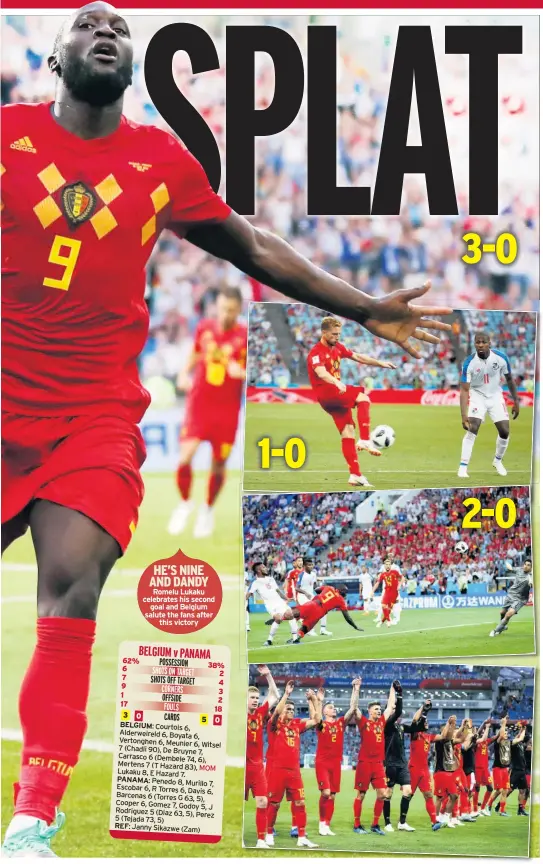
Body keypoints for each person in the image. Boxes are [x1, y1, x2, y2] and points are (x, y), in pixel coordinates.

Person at [0, 0, 451, 852]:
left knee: (73, 584)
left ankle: (31, 819)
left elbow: (250, 244)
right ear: (54, 58)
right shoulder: (7, 137)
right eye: (87, 22)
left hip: (93, 418)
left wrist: (360, 309)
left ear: (131, 65)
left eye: (119, 28)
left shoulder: (158, 161)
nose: (105, 29)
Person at [168, 286, 247, 538]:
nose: (226, 314)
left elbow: (261, 375)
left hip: (227, 410)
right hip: (199, 403)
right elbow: (195, 354)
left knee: (218, 465)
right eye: (223, 308)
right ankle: (185, 503)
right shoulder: (204, 327)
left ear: (239, 309)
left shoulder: (246, 337)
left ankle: (207, 510)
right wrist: (183, 373)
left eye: (232, 310)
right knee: (184, 458)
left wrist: (244, 372)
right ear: (217, 306)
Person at [306, 317, 398, 487]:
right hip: (330, 392)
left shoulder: (338, 347)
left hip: (332, 398)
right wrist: (336, 381)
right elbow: (321, 373)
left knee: (348, 432)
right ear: (324, 332)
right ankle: (365, 439)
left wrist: (380, 363)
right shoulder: (316, 353)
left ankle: (355, 475)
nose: (337, 337)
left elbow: (357, 356)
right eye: (334, 334)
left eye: (339, 334)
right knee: (363, 398)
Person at [265, 682, 321, 849]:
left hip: (294, 772)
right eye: (287, 709)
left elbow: (317, 720)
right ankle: (268, 834)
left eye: (292, 709)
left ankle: (302, 837)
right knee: (274, 804)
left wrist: (313, 700)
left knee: (300, 803)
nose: (290, 711)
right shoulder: (274, 725)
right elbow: (275, 713)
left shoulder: (297, 725)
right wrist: (286, 695)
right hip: (277, 770)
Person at [457, 331, 520, 479]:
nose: (480, 345)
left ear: (489, 343)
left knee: (505, 431)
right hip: (477, 396)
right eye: (477, 342)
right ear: (474, 344)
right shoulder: (469, 363)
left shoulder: (501, 358)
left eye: (483, 342)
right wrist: (464, 416)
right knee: (473, 427)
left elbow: (510, 379)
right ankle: (463, 467)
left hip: (496, 396)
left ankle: (497, 461)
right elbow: (464, 390)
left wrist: (516, 401)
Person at [314, 679, 361, 836]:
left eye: (334, 707)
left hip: (335, 764)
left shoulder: (340, 723)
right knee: (326, 793)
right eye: (330, 707)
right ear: (325, 712)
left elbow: (352, 708)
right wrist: (319, 702)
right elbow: (316, 717)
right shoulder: (321, 724)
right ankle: (321, 823)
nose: (333, 709)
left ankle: (327, 825)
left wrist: (356, 688)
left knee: (332, 795)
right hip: (322, 763)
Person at [352, 682, 399, 836]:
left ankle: (374, 824)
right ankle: (357, 824)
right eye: (376, 709)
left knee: (383, 794)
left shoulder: (381, 723)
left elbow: (391, 706)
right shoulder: (363, 722)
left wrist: (392, 689)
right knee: (361, 794)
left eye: (380, 709)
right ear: (369, 711)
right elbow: (354, 708)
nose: (379, 711)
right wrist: (356, 689)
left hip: (378, 764)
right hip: (364, 763)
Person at [246, 666, 280, 848]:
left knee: (262, 801)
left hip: (258, 765)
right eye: (251, 698)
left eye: (256, 698)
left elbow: (274, 695)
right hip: (241, 765)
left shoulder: (260, 713)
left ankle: (260, 840)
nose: (255, 701)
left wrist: (268, 676)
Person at [273, 584, 364, 643]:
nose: (346, 595)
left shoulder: (329, 587)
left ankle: (280, 617)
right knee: (305, 628)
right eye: (345, 593)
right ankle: (296, 638)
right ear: (342, 592)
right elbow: (347, 617)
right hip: (319, 613)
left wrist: (322, 593)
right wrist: (355, 626)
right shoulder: (341, 601)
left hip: (314, 604)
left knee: (295, 613)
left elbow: (316, 589)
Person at [246, 562, 308, 646]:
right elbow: (248, 594)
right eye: (263, 567)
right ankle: (269, 640)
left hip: (280, 602)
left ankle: (295, 639)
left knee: (291, 615)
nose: (266, 568)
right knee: (278, 619)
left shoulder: (271, 579)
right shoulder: (255, 582)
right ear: (258, 570)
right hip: (270, 605)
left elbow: (278, 591)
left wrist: (286, 598)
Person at [382, 681, 416, 833]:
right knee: (388, 793)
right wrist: (399, 694)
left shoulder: (399, 726)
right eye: (393, 709)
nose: (395, 710)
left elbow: (417, 727)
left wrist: (424, 712)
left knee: (408, 791)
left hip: (402, 764)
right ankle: (387, 823)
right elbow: (398, 710)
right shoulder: (387, 724)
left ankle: (402, 822)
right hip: (390, 764)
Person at [408, 702, 448, 830]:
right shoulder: (415, 735)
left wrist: (449, 724)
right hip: (414, 769)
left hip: (424, 771)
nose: (427, 724)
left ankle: (434, 821)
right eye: (425, 722)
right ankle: (402, 820)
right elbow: (414, 720)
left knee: (428, 795)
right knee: (408, 796)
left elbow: (443, 736)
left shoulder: (428, 737)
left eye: (427, 722)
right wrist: (423, 709)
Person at [490, 559, 533, 637]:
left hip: (520, 599)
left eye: (528, 565)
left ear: (531, 567)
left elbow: (532, 584)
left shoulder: (532, 576)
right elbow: (510, 568)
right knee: (502, 613)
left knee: (509, 614)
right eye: (525, 564)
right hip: (511, 595)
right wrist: (505, 561)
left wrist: (531, 583)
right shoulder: (519, 570)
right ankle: (503, 626)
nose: (526, 566)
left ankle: (495, 630)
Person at [433, 715, 461, 828]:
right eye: (447, 729)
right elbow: (446, 734)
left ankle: (446, 818)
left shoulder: (450, 742)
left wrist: (457, 725)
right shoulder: (439, 741)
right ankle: (435, 819)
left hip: (449, 772)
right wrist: (449, 723)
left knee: (454, 796)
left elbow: (461, 738)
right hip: (440, 771)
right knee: (440, 797)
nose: (450, 732)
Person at [297, 557, 332, 637]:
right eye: (309, 565)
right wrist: (305, 593)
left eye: (312, 565)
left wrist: (322, 593)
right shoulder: (302, 575)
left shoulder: (313, 574)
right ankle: (309, 630)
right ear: (305, 566)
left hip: (311, 595)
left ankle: (323, 629)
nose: (311, 566)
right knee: (311, 611)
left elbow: (315, 587)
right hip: (302, 596)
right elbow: (297, 588)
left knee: (324, 608)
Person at [487, 716, 511, 816]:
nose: (505, 734)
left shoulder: (507, 743)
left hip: (504, 769)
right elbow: (500, 735)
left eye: (506, 733)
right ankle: (488, 805)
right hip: (497, 768)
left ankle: (502, 810)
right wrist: (504, 723)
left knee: (505, 790)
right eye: (504, 733)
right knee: (498, 790)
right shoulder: (498, 743)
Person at [371, 559, 404, 627]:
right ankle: (389, 621)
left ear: (391, 565)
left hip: (394, 592)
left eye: (389, 565)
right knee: (383, 605)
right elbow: (377, 583)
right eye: (386, 565)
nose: (388, 566)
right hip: (387, 591)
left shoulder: (395, 572)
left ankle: (382, 621)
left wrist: (399, 585)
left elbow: (402, 578)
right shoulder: (383, 574)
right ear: (384, 566)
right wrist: (372, 591)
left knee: (388, 610)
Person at [473, 721, 496, 816]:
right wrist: (485, 726)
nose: (483, 734)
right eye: (481, 733)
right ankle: (475, 809)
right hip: (477, 768)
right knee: (477, 788)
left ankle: (482, 808)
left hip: (485, 769)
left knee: (490, 788)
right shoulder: (474, 743)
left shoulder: (486, 742)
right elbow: (479, 734)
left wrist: (503, 724)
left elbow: (495, 737)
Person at [508, 723, 529, 817]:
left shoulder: (520, 744)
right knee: (509, 790)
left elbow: (520, 738)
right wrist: (524, 728)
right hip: (516, 770)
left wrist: (522, 730)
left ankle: (520, 810)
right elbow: (519, 738)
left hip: (522, 770)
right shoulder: (512, 743)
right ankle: (500, 805)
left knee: (523, 790)